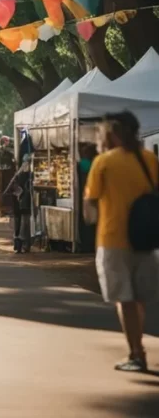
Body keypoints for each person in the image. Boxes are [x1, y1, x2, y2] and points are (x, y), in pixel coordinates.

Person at [83, 111, 159, 373]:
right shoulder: (150, 159)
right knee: (138, 299)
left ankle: (136, 353)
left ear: (113, 133)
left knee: (124, 300)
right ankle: (138, 348)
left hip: (113, 238)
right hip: (145, 239)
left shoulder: (103, 162)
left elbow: (90, 206)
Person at [4, 155, 32, 253]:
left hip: (17, 202)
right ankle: (24, 245)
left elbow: (9, 188)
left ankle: (18, 246)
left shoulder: (18, 174)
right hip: (25, 203)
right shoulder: (29, 174)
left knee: (18, 224)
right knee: (25, 224)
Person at [0, 136, 16, 217]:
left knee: (4, 190)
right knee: (1, 190)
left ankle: (3, 210)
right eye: (6, 142)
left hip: (4, 174)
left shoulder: (2, 151)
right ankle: (1, 210)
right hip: (2, 174)